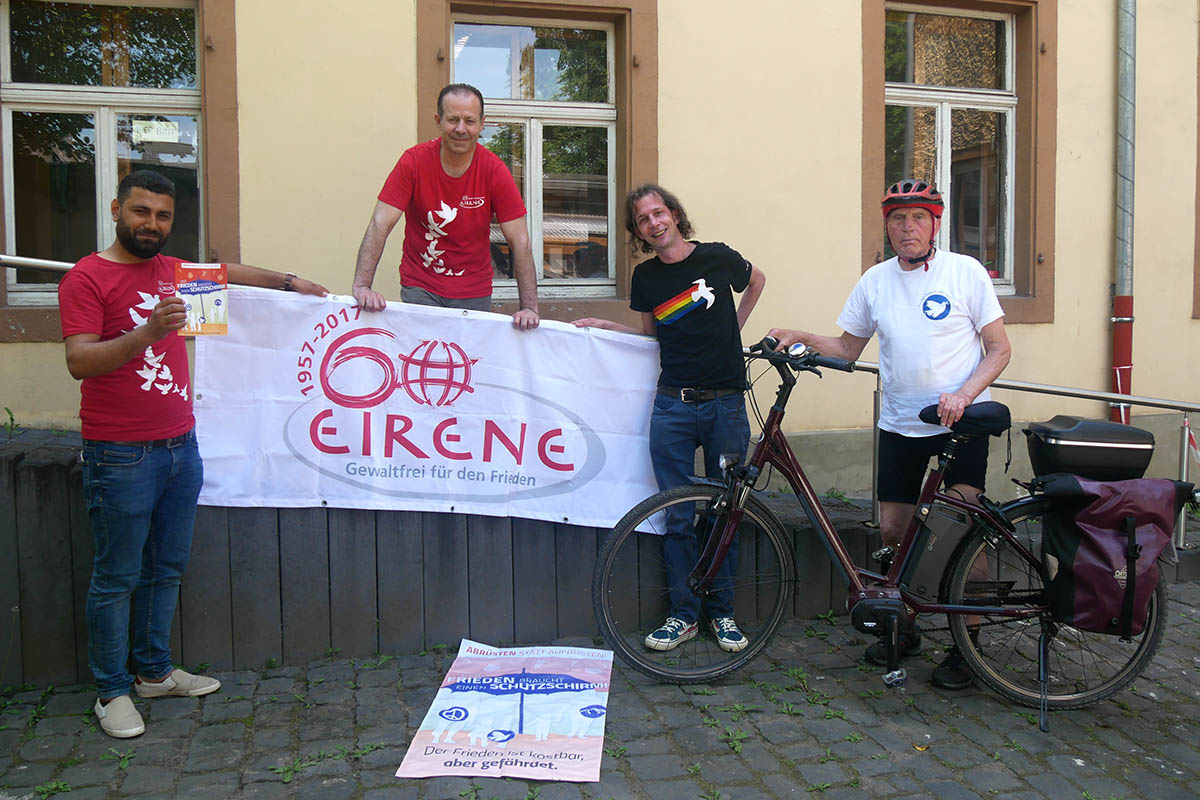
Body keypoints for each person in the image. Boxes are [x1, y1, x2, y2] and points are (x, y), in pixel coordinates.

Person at [58, 170, 328, 738]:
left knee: (166, 568)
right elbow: (80, 361)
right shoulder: (87, 278)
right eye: (140, 212)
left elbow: (227, 276)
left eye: (162, 216)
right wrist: (150, 332)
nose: (151, 224)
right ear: (116, 210)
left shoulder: (170, 273)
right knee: (117, 576)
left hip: (182, 446)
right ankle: (111, 690)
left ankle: (154, 672)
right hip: (119, 454)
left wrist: (289, 281)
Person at [768, 178, 1011, 689]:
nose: (908, 227)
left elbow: (998, 349)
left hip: (958, 425)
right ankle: (907, 628)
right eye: (898, 219)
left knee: (962, 532)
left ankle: (971, 646)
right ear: (888, 226)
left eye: (918, 217)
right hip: (900, 424)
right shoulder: (876, 281)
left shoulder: (964, 273)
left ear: (935, 223)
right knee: (894, 531)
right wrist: (798, 334)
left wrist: (964, 394)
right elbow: (846, 346)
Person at [573, 184, 766, 653]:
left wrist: (732, 328)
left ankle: (722, 614)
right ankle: (684, 615)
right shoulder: (646, 278)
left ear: (675, 215)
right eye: (643, 220)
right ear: (637, 231)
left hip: (725, 403)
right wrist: (605, 329)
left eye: (659, 212)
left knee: (725, 511)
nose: (654, 223)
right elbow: (652, 338)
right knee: (677, 515)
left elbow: (757, 280)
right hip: (672, 407)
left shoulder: (717, 257)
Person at [351, 83, 539, 330]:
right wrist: (362, 286)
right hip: (421, 286)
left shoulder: (494, 171)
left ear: (482, 124)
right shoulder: (413, 162)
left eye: (469, 121)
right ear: (438, 120)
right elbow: (380, 223)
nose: (461, 129)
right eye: (453, 120)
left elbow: (520, 241)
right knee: (421, 359)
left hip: (473, 291)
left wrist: (529, 308)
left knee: (467, 363)